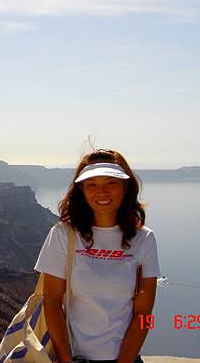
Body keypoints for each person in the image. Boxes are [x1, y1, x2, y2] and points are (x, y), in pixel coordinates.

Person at [34, 149, 159, 363]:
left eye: (111, 183)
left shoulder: (144, 239)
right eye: (91, 184)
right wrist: (66, 360)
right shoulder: (64, 234)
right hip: (74, 359)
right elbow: (52, 302)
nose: (102, 192)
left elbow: (145, 314)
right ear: (81, 189)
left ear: (125, 187)